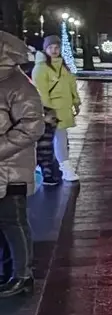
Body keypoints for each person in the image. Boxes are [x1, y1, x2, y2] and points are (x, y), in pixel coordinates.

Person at [0, 32, 45, 298]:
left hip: (12, 169)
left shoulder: (19, 85)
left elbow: (32, 127)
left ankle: (22, 275)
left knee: (13, 222)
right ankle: (8, 270)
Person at [32, 35, 81, 182]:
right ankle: (65, 168)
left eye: (57, 47)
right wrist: (47, 111)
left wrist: (76, 102)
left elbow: (71, 85)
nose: (54, 50)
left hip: (64, 109)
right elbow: (41, 92)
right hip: (52, 112)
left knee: (59, 140)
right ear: (45, 49)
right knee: (59, 139)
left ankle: (51, 167)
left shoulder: (63, 66)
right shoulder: (41, 68)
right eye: (50, 47)